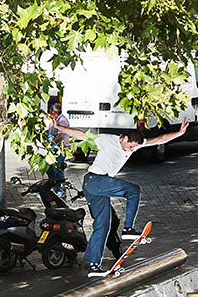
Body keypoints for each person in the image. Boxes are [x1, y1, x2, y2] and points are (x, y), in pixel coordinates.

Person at [51, 118, 189, 277]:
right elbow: (81, 134)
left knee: (103, 225)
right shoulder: (106, 140)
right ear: (124, 139)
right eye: (130, 146)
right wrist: (58, 126)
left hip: (95, 188)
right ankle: (128, 229)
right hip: (95, 180)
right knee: (133, 191)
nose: (131, 150)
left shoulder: (134, 144)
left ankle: (94, 266)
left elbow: (159, 139)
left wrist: (179, 132)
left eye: (134, 148)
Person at [46, 102, 72, 195]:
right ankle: (54, 187)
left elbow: (61, 134)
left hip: (60, 149)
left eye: (51, 113)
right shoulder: (55, 120)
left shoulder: (62, 120)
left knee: (58, 170)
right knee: (50, 169)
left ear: (55, 112)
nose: (50, 115)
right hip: (54, 149)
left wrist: (52, 143)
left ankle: (61, 190)